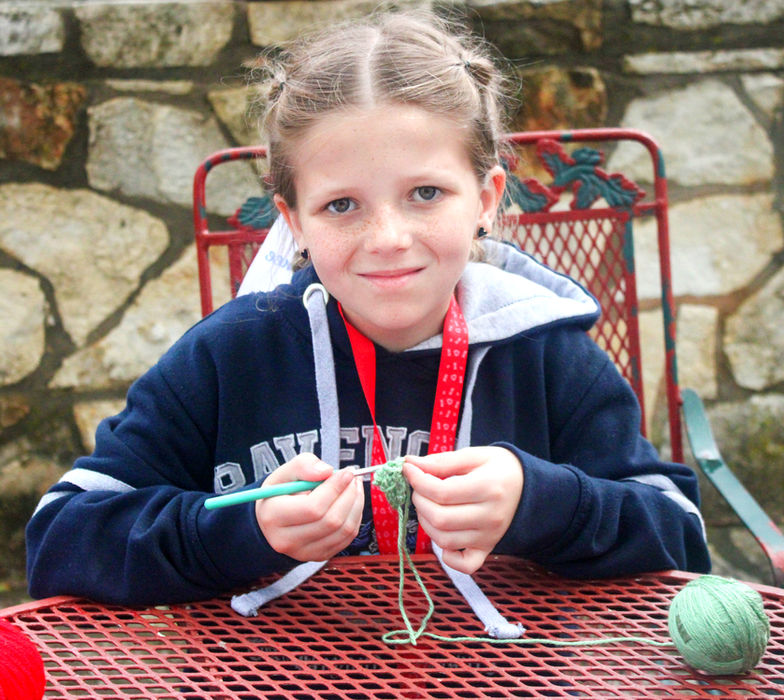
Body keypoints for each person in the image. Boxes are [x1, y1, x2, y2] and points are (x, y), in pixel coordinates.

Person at [26, 10, 710, 606]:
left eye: (426, 193)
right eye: (342, 205)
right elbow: (61, 537)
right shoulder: (229, 355)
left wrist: (542, 503)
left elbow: (680, 536)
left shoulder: (547, 352)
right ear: (292, 219)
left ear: (488, 197)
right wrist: (239, 531)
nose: (387, 239)